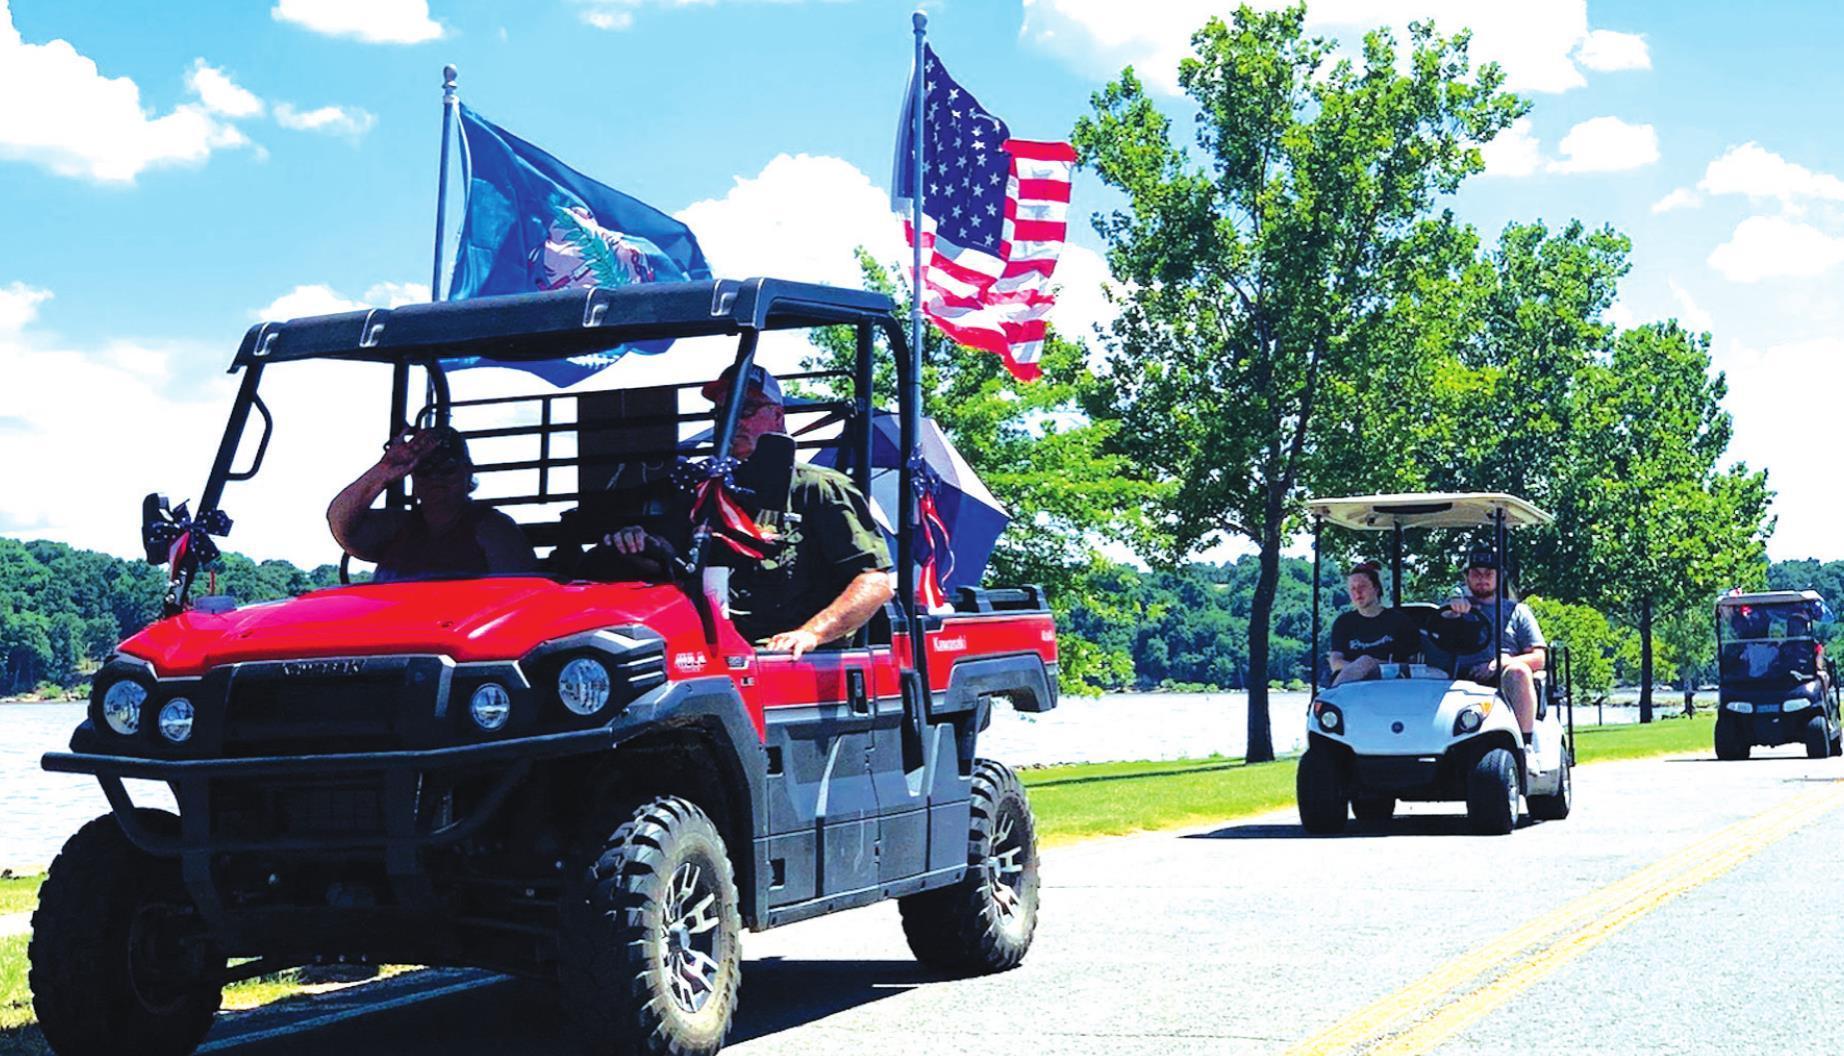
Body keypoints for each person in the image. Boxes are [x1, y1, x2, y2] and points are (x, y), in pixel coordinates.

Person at [602, 364, 894, 658]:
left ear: (778, 416)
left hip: (791, 662)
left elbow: (874, 582)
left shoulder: (818, 488)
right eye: (722, 412)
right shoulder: (705, 489)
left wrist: (811, 634)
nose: (732, 421)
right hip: (712, 656)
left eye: (746, 409)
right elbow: (671, 558)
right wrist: (637, 542)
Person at [328, 425, 537, 582]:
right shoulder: (396, 526)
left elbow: (516, 597)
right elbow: (339, 521)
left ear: (467, 472)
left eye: (448, 468)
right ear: (412, 476)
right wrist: (383, 470)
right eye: (425, 470)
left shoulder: (495, 530)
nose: (436, 478)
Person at [1445, 547, 1546, 747]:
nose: (1482, 578)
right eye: (1476, 573)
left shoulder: (1517, 612)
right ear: (1466, 578)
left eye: (1488, 573)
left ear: (1499, 577)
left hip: (1502, 678)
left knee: (1518, 671)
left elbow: (1539, 657)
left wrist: (1500, 663)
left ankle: (1525, 746)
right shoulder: (1453, 609)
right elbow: (1434, 640)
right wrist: (1452, 612)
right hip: (1459, 677)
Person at [1327, 561, 1417, 685]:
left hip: (1390, 683)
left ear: (1376, 588)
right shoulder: (1343, 623)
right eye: (1352, 588)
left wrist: (1374, 665)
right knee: (1364, 662)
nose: (1357, 592)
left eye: (1362, 586)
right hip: (1350, 686)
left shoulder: (1400, 621)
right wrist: (1361, 668)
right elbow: (1335, 662)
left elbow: (1413, 664)